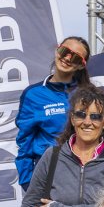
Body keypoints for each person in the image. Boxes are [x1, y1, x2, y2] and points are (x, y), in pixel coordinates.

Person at [15, 36, 91, 189]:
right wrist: (27, 182)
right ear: (57, 50)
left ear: (81, 66)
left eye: (76, 58)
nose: (68, 58)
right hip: (46, 175)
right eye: (65, 51)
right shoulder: (33, 94)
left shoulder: (88, 94)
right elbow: (24, 142)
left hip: (83, 174)